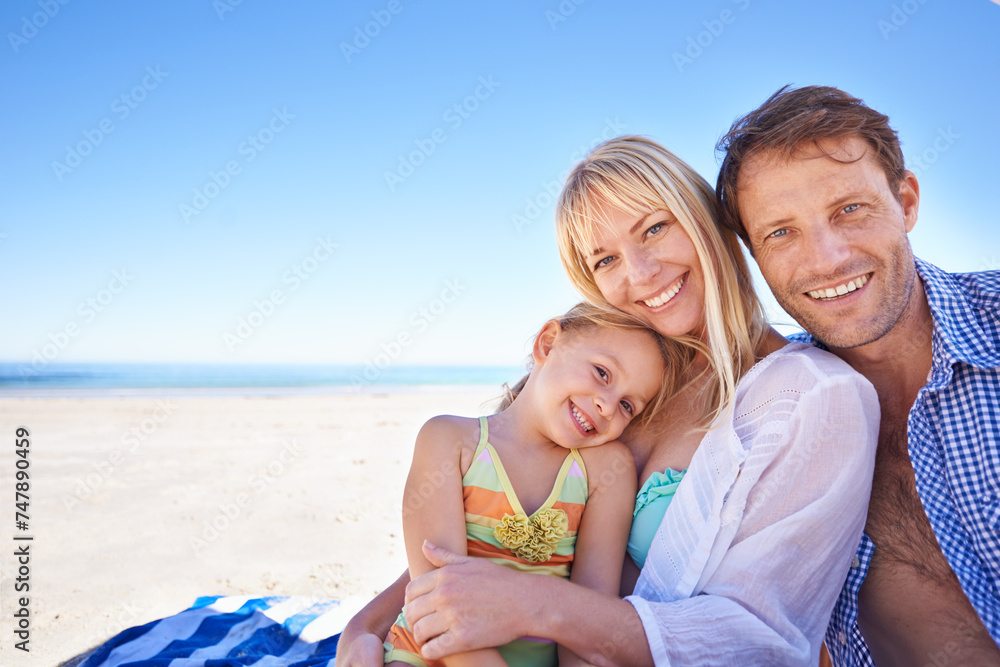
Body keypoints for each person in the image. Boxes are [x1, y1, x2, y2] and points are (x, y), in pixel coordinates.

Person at [337, 135, 880, 666]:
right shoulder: (613, 381)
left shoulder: (813, 395)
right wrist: (363, 629)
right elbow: (489, 539)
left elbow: (765, 641)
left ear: (703, 219)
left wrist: (539, 607)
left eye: (655, 228)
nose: (639, 274)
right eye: (605, 260)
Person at [714, 84, 1000, 666]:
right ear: (754, 256)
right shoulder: (764, 413)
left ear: (906, 202)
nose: (827, 259)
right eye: (780, 232)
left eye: (849, 209)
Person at [384, 302, 672, 667]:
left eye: (628, 405)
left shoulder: (606, 470)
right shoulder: (449, 441)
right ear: (548, 343)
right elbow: (436, 608)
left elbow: (586, 622)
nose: (608, 406)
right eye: (602, 373)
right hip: (430, 654)